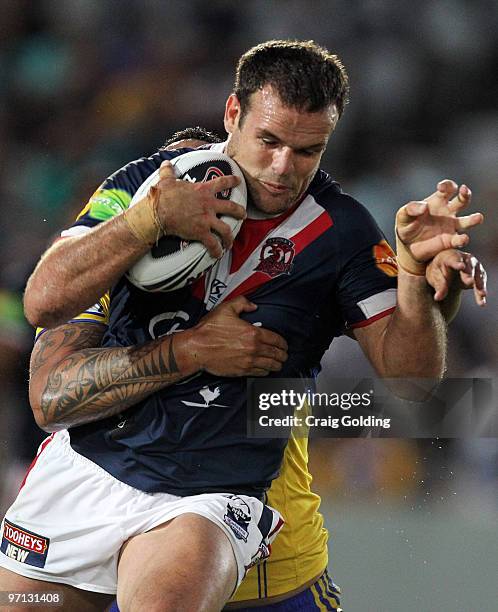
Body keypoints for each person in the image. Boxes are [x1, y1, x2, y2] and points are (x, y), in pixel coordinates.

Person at [1, 40, 486, 611]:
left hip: (207, 498)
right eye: (270, 141)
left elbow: (413, 382)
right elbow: (42, 310)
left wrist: (414, 275)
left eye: (308, 151)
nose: (284, 169)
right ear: (232, 114)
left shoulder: (341, 232)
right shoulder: (148, 187)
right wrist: (146, 223)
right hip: (85, 475)